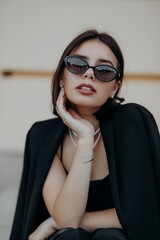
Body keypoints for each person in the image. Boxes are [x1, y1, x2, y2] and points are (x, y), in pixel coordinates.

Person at [9, 29, 160, 240]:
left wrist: (53, 223)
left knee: (109, 237)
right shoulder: (42, 136)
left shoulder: (132, 122)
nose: (89, 74)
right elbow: (67, 220)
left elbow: (142, 214)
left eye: (104, 70)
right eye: (77, 65)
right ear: (62, 76)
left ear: (115, 88)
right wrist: (85, 139)